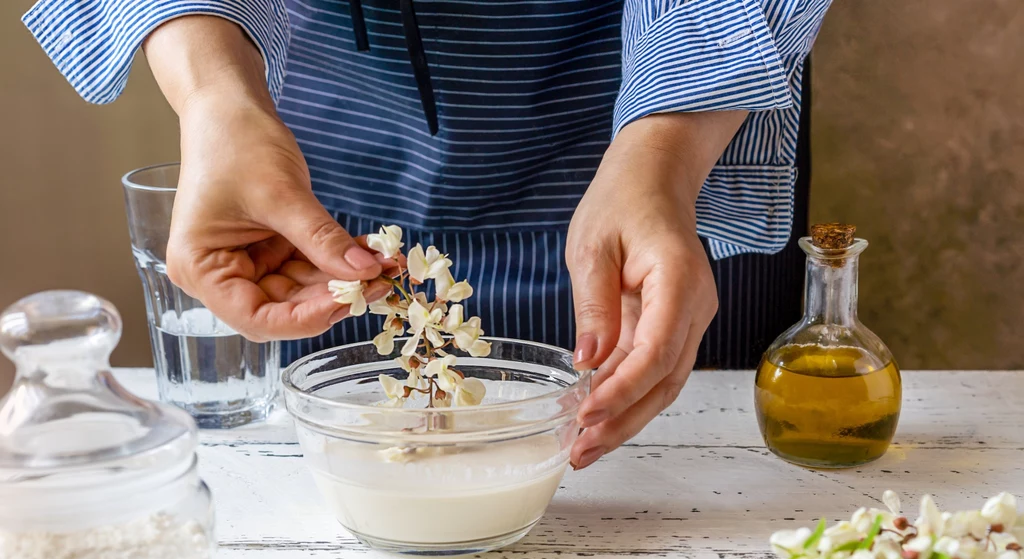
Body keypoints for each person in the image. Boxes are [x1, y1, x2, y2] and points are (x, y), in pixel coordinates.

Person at [24, 0, 831, 468]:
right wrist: (214, 95)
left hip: (679, 128)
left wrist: (663, 153)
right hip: (321, 134)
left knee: (702, 489)